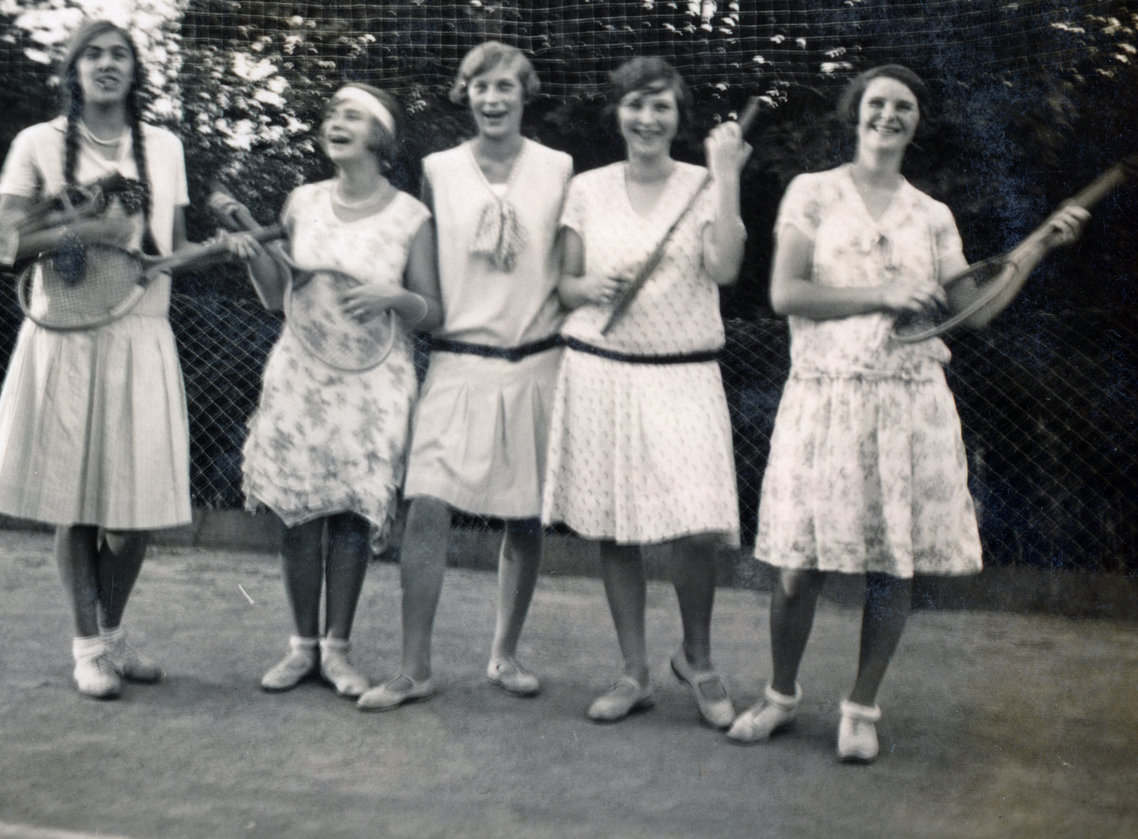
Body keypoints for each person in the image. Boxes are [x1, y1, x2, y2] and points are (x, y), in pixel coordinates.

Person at [729, 64, 1089, 762]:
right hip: (825, 396)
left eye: (904, 106)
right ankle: (779, 695)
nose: (889, 115)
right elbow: (784, 292)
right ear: (855, 112)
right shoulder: (813, 192)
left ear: (915, 121)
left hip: (909, 405)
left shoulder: (933, 215)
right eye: (877, 103)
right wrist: (883, 295)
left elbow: (971, 311)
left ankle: (861, 707)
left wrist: (1040, 244)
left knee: (893, 566)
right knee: (797, 565)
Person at [0, 19, 227, 699]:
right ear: (74, 69)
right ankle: (88, 645)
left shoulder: (166, 148)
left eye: (120, 54)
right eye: (94, 53)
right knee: (75, 502)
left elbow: (166, 249)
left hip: (140, 335)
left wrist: (212, 248)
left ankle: (113, 634)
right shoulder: (36, 143)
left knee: (134, 512)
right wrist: (84, 225)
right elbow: (1, 240)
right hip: (62, 336)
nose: (108, 64)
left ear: (134, 70)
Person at [359, 42, 572, 712]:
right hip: (457, 361)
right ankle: (414, 666)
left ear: (525, 93)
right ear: (466, 93)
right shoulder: (438, 170)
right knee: (426, 505)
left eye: (506, 86)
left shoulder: (560, 168)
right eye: (481, 86)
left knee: (526, 519)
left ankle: (504, 653)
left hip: (538, 360)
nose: (493, 97)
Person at [541, 57, 749, 726]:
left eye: (661, 106)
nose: (647, 118)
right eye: (635, 105)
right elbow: (564, 285)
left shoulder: (705, 182)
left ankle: (699, 658)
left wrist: (729, 177)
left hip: (683, 370)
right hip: (602, 368)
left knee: (695, 525)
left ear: (678, 116)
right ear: (618, 112)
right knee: (614, 523)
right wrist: (590, 288)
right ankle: (632, 671)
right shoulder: (588, 187)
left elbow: (725, 266)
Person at [228, 84, 441, 700]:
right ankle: (302, 648)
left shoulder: (410, 216)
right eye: (331, 115)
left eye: (352, 115)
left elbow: (433, 311)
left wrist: (394, 297)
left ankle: (339, 650)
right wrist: (255, 251)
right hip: (302, 373)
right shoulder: (302, 202)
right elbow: (278, 293)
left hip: (375, 384)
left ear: (380, 136)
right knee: (298, 512)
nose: (335, 122)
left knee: (350, 515)